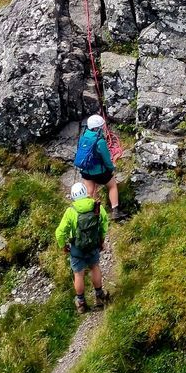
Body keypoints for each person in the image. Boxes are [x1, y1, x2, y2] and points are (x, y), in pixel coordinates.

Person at [53, 179, 107, 311]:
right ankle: (99, 296)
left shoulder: (71, 211)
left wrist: (63, 245)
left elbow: (59, 232)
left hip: (77, 248)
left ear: (73, 197)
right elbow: (104, 223)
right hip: (93, 245)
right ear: (85, 192)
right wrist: (101, 240)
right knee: (95, 267)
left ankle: (81, 303)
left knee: (78, 274)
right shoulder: (96, 206)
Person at [74, 112, 120, 212]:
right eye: (102, 126)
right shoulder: (100, 141)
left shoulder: (83, 137)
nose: (104, 128)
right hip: (100, 172)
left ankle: (94, 213)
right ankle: (115, 211)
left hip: (85, 170)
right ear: (97, 127)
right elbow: (107, 159)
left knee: (90, 192)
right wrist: (112, 168)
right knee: (112, 186)